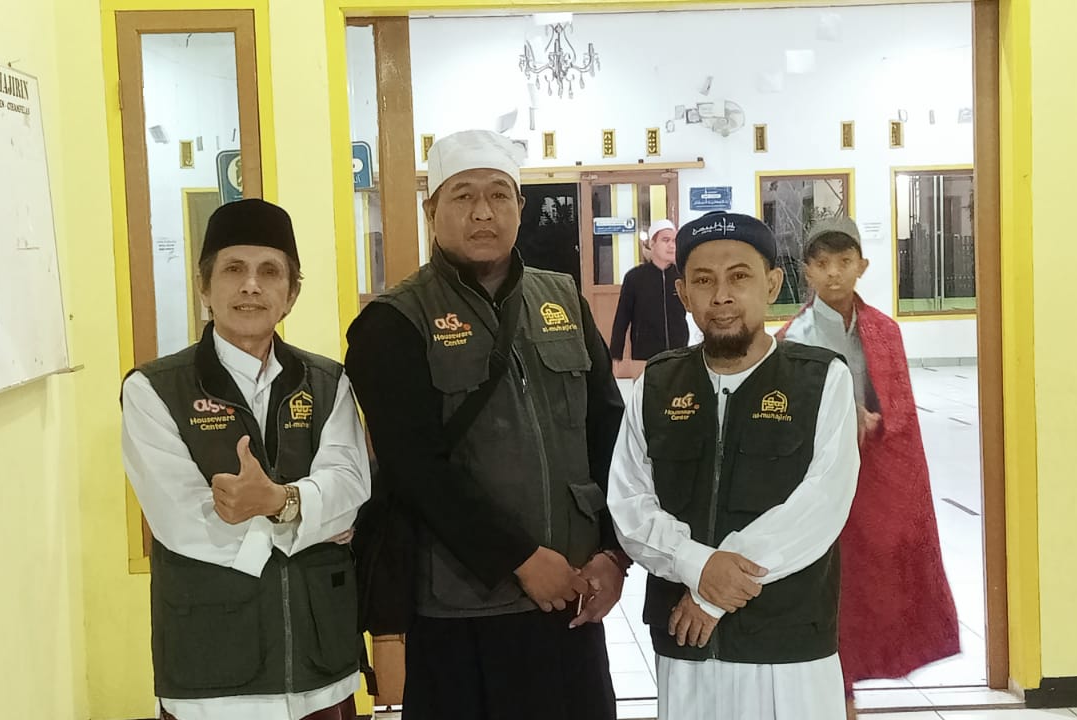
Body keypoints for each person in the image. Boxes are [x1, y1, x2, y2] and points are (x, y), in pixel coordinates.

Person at [344, 129, 629, 720]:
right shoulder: (394, 323)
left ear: (520, 207)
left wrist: (612, 551)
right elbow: (415, 468)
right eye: (463, 195)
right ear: (432, 210)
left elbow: (609, 432)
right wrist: (519, 558)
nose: (483, 212)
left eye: (499, 194)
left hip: (570, 595)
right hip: (461, 607)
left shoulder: (563, 300)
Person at [121, 199, 373, 720]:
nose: (251, 286)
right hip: (212, 665)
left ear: (291, 294)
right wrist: (310, 519)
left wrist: (279, 502)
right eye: (234, 269)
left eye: (270, 272)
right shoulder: (153, 390)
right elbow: (181, 519)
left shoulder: (328, 382)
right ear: (204, 287)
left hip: (320, 663)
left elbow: (350, 486)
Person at [608, 211, 861, 720]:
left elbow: (821, 505)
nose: (721, 296)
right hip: (687, 645)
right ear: (683, 294)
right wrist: (694, 564)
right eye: (704, 281)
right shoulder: (657, 384)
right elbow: (629, 502)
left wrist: (713, 592)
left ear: (772, 284)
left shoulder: (820, 381)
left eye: (739, 277)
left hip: (788, 645)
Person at [776, 215, 960, 710]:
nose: (834, 273)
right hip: (819, 486)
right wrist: (839, 416)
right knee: (828, 587)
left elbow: (900, 417)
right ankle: (834, 693)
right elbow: (785, 422)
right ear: (806, 271)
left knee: (875, 582)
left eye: (844, 261)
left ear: (863, 265)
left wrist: (875, 423)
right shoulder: (790, 340)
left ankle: (849, 689)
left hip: (875, 483)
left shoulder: (884, 332)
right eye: (821, 263)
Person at [610, 219, 689, 375]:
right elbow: (622, 318)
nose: (671, 245)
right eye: (665, 240)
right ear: (652, 244)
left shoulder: (682, 276)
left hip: (679, 355)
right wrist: (615, 354)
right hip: (644, 356)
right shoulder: (635, 277)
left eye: (674, 241)